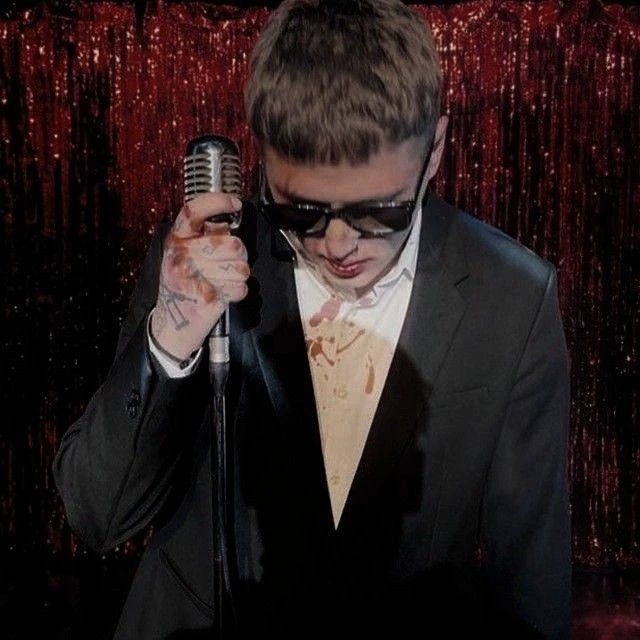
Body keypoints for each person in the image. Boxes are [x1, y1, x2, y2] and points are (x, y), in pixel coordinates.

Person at [52, 1, 572, 638]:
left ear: (435, 148)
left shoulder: (512, 297)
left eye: (379, 212)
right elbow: (98, 515)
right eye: (301, 212)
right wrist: (172, 335)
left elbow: (530, 583)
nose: (338, 244)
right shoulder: (204, 257)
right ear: (262, 159)